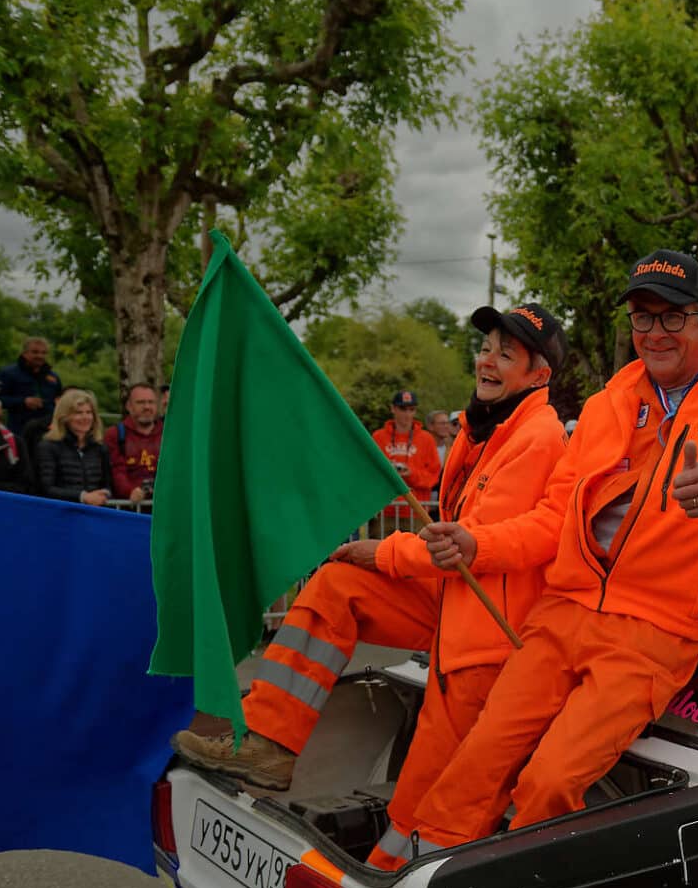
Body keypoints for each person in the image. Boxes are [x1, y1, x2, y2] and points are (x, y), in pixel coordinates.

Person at [395, 249, 698, 853]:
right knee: (474, 762)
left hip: (654, 633)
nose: (655, 333)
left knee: (548, 782)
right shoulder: (606, 403)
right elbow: (554, 518)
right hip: (564, 612)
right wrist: (478, 543)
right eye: (642, 318)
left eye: (672, 317)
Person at [173, 304, 570, 806]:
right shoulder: (487, 427)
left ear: (539, 375)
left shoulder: (536, 436)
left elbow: (467, 543)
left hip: (486, 633)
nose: (487, 361)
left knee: (425, 803)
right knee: (336, 585)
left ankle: (393, 864)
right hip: (454, 606)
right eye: (486, 349)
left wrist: (383, 552)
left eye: (505, 355)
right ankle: (268, 741)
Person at [32, 389, 112, 505]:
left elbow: (107, 484)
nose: (85, 417)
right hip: (59, 515)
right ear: (64, 416)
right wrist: (82, 497)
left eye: (89, 412)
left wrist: (104, 493)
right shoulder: (48, 446)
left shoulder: (100, 448)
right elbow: (46, 488)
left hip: (91, 515)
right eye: (78, 413)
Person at [371, 389, 442, 519]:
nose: (407, 414)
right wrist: (390, 472)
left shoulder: (426, 439)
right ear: (393, 409)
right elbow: (370, 473)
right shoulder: (379, 437)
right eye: (403, 409)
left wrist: (411, 473)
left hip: (416, 510)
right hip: (386, 510)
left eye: (411, 409)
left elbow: (433, 476)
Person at [0, 337, 64, 434]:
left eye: (43, 353)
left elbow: (61, 402)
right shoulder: (7, 373)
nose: (40, 356)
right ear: (24, 353)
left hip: (48, 432)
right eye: (35, 352)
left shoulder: (53, 377)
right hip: (19, 431)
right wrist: (23, 401)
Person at [108, 382, 164, 503]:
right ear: (129, 406)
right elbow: (117, 471)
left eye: (151, 402)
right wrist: (130, 491)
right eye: (141, 402)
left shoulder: (169, 434)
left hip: (164, 506)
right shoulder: (115, 434)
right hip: (128, 507)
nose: (147, 407)